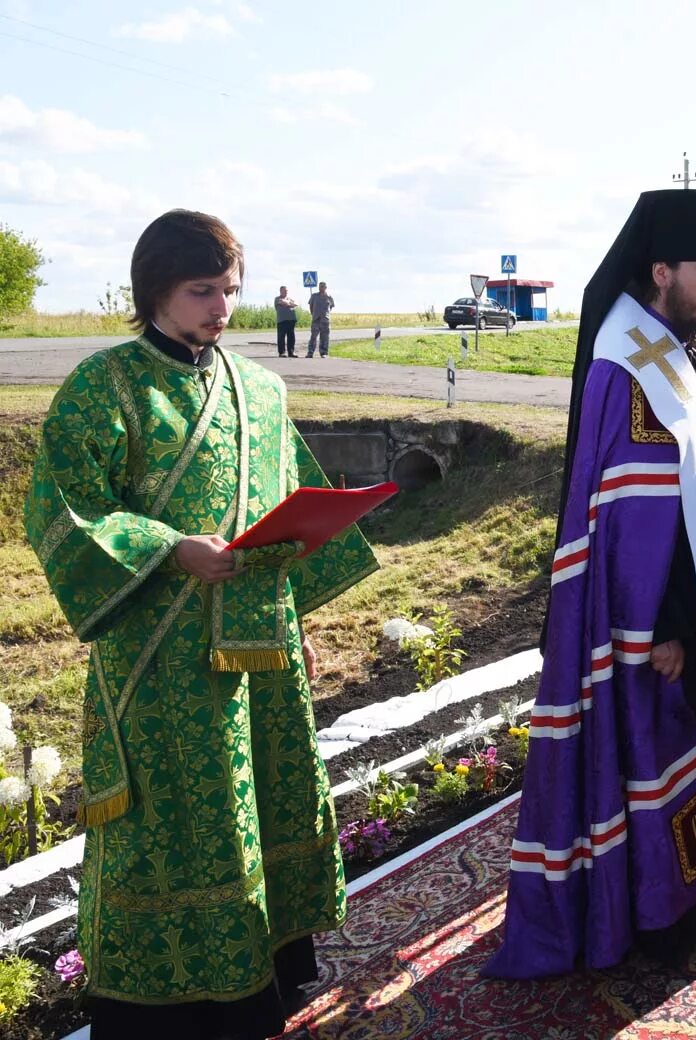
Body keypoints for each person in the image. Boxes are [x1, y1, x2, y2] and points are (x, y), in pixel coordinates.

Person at [23, 210, 379, 1038]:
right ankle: (163, 1007)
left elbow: (289, 503)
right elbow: (65, 512)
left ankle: (272, 971)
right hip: (162, 653)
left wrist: (300, 618)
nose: (222, 307)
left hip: (263, 640)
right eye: (201, 291)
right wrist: (168, 547)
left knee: (273, 802)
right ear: (154, 291)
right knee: (181, 823)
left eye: (230, 289)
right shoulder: (104, 386)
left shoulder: (261, 387)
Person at [484, 189, 696, 979]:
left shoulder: (691, 349)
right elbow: (635, 519)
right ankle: (659, 909)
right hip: (666, 622)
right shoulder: (625, 364)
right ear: (661, 269)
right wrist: (664, 625)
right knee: (665, 752)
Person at [306, 281, 334, 357]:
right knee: (313, 337)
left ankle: (324, 353)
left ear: (326, 287)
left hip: (325, 320)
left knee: (324, 337)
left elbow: (330, 307)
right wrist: (314, 314)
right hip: (316, 319)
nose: (321, 288)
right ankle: (310, 352)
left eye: (323, 286)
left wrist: (325, 314)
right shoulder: (314, 296)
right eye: (320, 286)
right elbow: (311, 306)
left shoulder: (329, 297)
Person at [274, 285, 298, 357]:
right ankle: (282, 353)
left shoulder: (290, 298)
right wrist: (290, 304)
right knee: (281, 337)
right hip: (282, 321)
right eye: (284, 290)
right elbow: (284, 303)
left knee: (291, 337)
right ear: (281, 291)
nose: (286, 292)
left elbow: (296, 304)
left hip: (291, 320)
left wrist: (289, 304)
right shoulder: (277, 299)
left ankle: (291, 352)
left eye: (287, 291)